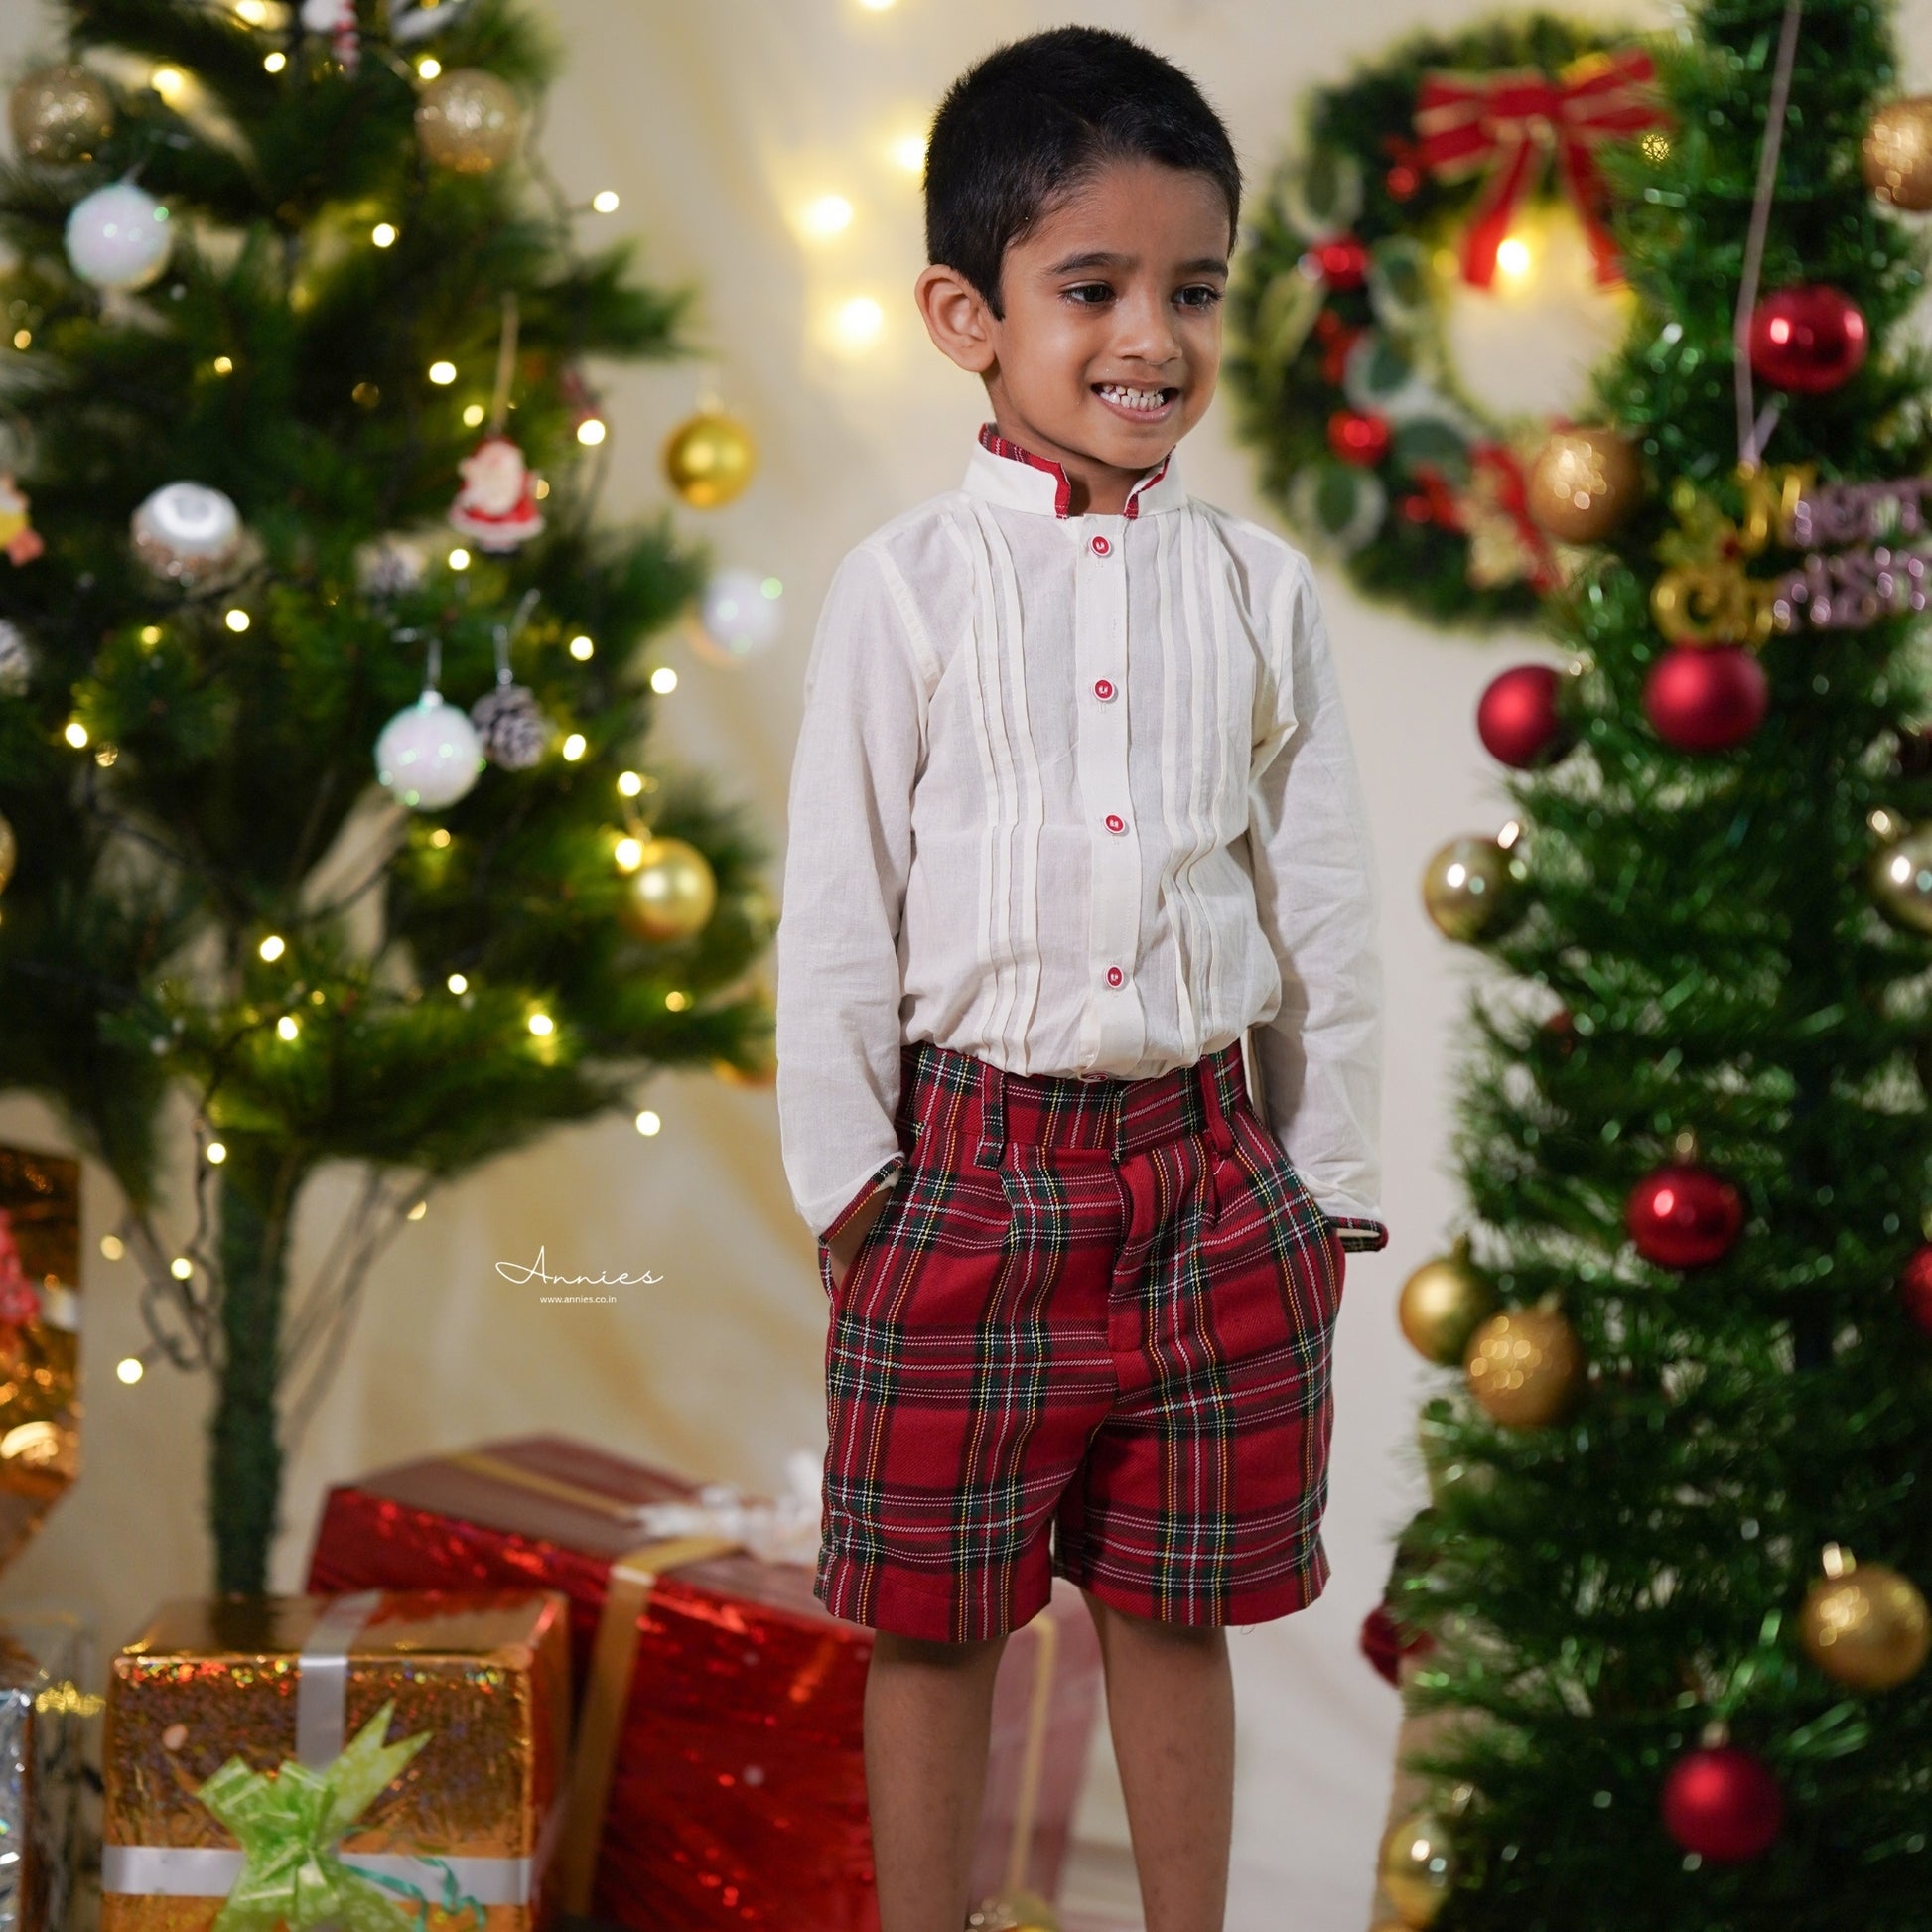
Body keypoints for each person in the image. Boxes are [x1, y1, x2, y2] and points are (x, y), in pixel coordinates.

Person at [773, 24, 1386, 1931]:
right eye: (1093, 288)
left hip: (1212, 1183)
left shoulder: (1259, 591)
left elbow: (1329, 903)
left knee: (1173, 1604)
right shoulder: (906, 590)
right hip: (964, 1181)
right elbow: (836, 910)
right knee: (935, 1630)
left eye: (1192, 289)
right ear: (967, 313)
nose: (1155, 339)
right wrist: (854, 1192)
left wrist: (1326, 1178)